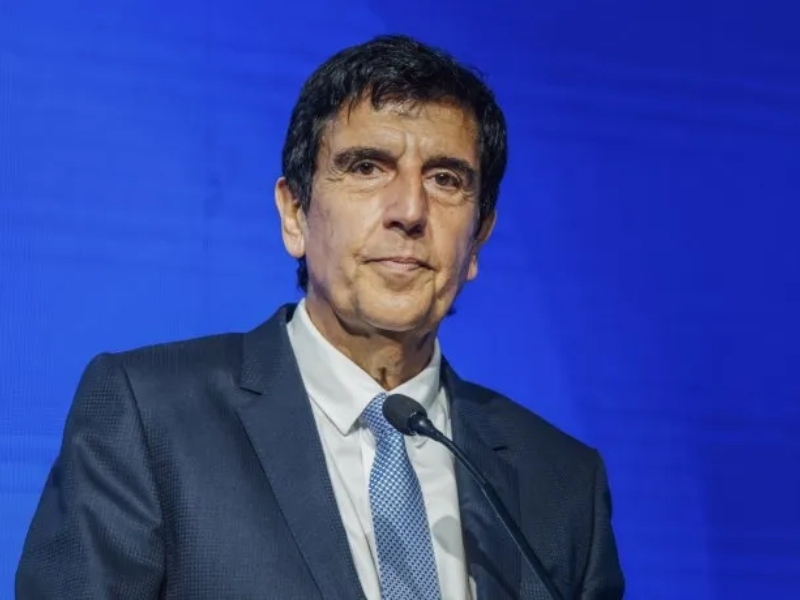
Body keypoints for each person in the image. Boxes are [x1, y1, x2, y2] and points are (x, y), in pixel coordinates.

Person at [15, 34, 624, 599]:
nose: (410, 211)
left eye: (445, 179)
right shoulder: (150, 418)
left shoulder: (561, 483)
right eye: (366, 168)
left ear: (478, 239)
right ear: (295, 214)